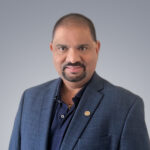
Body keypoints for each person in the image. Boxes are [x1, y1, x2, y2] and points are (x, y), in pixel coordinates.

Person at [9, 13, 150, 150]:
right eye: (62, 48)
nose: (72, 58)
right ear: (52, 49)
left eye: (82, 48)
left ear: (97, 48)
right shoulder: (30, 98)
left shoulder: (126, 106)